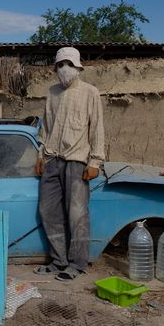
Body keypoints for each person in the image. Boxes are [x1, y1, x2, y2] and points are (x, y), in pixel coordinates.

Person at [34, 47, 105, 280]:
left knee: (76, 213)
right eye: (61, 64)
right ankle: (58, 261)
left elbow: (96, 129)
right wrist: (40, 155)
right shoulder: (52, 92)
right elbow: (45, 127)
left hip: (77, 160)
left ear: (78, 67)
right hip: (52, 159)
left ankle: (77, 263)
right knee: (48, 211)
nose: (65, 69)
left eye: (69, 64)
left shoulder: (90, 92)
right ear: (55, 68)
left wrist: (95, 161)